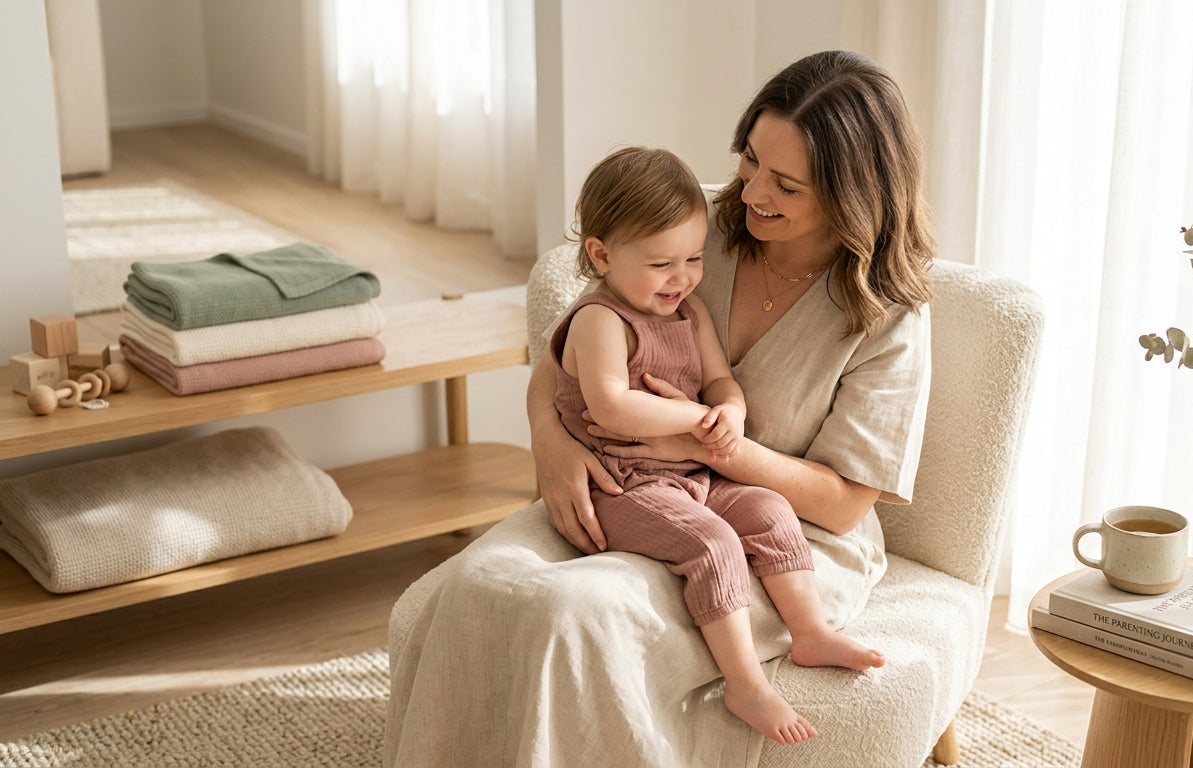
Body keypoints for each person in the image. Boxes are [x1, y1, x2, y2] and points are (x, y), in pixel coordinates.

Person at [385, 50, 934, 768]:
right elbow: (563, 355)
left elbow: (843, 506)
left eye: (786, 184)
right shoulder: (696, 229)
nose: (752, 193)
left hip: (786, 545)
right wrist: (550, 441)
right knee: (473, 583)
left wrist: (711, 447)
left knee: (573, 616)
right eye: (749, 160)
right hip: (627, 486)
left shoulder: (888, 317)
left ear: (851, 194)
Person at [550, 144, 885, 746]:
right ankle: (745, 683)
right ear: (601, 255)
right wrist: (696, 418)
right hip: (622, 483)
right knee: (713, 543)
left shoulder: (689, 311)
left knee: (768, 509)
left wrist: (727, 410)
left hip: (695, 474)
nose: (681, 278)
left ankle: (809, 632)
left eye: (695, 259)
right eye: (660, 265)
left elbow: (719, 378)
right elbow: (610, 404)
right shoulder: (599, 319)